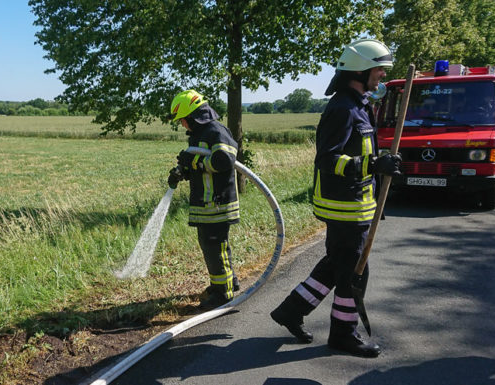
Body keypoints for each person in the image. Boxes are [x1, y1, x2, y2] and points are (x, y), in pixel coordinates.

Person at [269, 39, 402, 358]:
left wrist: (381, 163)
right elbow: (327, 160)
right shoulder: (342, 108)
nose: (382, 76)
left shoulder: (359, 105)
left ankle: (291, 310)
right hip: (343, 207)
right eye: (379, 70)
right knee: (354, 271)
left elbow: (360, 150)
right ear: (361, 70)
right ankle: (343, 334)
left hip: (358, 203)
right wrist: (371, 165)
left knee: (338, 265)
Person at [166, 90, 241, 309]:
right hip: (206, 204)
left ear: (192, 116)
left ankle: (223, 295)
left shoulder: (216, 131)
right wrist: (184, 170)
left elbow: (224, 161)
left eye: (182, 120)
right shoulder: (199, 135)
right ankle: (229, 282)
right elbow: (201, 165)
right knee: (211, 247)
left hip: (217, 203)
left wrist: (194, 162)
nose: (182, 125)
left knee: (215, 248)